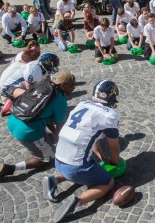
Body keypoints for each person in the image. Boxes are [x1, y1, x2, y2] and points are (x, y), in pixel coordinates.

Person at [42, 80, 120, 222]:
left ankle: (54, 179)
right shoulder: (109, 115)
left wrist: (102, 158)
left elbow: (91, 139)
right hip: (75, 167)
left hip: (58, 160)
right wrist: (114, 162)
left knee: (82, 158)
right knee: (108, 183)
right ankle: (77, 202)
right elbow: (114, 147)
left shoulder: (82, 104)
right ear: (111, 96)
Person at [0, 71, 75, 182]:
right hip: (27, 131)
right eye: (72, 85)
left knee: (47, 141)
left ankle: (43, 145)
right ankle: (10, 168)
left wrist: (54, 135)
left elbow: (46, 118)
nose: (74, 88)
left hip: (14, 119)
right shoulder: (60, 101)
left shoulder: (43, 87)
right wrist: (61, 140)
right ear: (63, 85)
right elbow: (60, 127)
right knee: (46, 158)